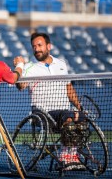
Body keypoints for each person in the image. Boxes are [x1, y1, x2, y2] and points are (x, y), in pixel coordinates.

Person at [14, 32, 85, 170]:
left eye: (39, 45)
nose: (36, 49)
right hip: (43, 114)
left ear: (49, 46)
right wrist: (20, 66)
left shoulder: (61, 64)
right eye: (34, 46)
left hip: (64, 111)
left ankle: (73, 155)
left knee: (81, 118)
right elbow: (20, 86)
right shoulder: (30, 67)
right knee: (69, 118)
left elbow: (68, 87)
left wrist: (79, 106)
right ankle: (65, 157)